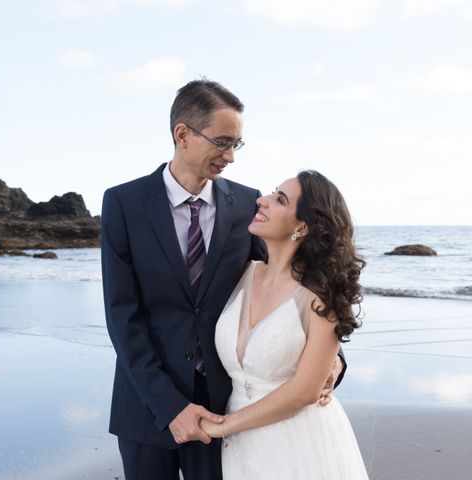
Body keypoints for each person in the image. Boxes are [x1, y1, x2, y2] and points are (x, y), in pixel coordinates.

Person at [101, 79, 345, 480]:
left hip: (225, 407)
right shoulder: (123, 203)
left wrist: (330, 360)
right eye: (222, 141)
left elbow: (294, 284)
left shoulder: (247, 205)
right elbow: (122, 316)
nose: (230, 155)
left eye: (237, 144)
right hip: (145, 408)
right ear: (183, 134)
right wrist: (169, 407)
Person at [201, 170, 369, 479]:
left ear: (302, 226)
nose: (261, 201)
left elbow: (305, 390)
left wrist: (226, 425)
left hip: (298, 441)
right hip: (240, 444)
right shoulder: (243, 273)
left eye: (279, 199)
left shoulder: (321, 294)